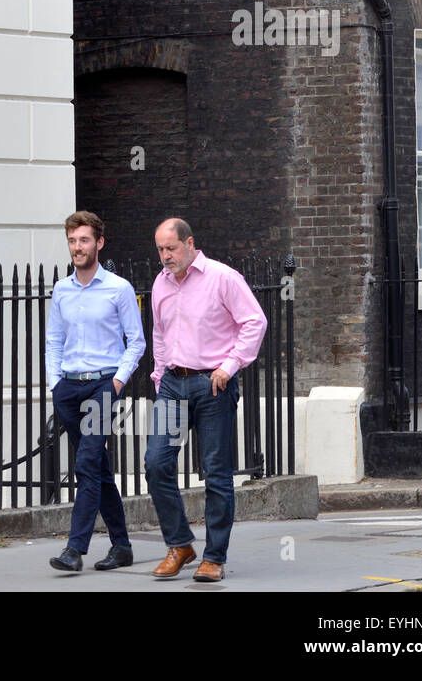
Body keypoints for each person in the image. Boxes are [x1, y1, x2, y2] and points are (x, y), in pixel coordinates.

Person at [146, 217, 267, 582]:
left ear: (189, 243)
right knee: (155, 463)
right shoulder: (160, 283)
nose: (166, 256)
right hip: (172, 383)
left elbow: (254, 322)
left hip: (212, 385)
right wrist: (159, 375)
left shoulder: (222, 277)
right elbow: (161, 332)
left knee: (216, 474)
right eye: (160, 250)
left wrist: (229, 367)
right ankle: (180, 544)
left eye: (171, 248)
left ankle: (213, 558)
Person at [46, 210, 146, 573]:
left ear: (99, 243)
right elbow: (53, 340)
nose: (77, 247)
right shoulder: (61, 289)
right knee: (98, 468)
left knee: (87, 463)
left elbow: (136, 342)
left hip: (104, 384)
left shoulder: (118, 288)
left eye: (84, 240)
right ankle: (122, 545)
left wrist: (117, 381)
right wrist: (54, 383)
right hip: (68, 387)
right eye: (72, 241)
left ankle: (75, 549)